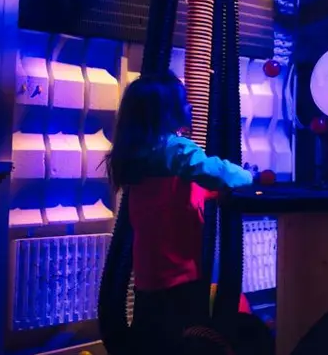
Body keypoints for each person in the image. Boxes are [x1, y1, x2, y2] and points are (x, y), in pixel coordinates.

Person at [105, 70, 255, 354]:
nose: (191, 106)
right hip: (179, 274)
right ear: (166, 112)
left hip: (151, 274)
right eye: (184, 101)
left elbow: (177, 194)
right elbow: (214, 171)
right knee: (186, 342)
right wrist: (247, 178)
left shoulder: (141, 153)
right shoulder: (174, 149)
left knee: (153, 340)